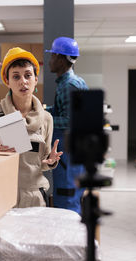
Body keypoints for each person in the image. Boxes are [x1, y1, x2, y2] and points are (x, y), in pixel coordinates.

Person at [0, 47, 62, 208]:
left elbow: (41, 163)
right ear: (7, 81)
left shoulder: (46, 119)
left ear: (35, 78)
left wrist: (50, 161)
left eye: (28, 75)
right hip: (1, 195)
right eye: (16, 76)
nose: (23, 81)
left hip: (35, 197)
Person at [45, 37, 89, 214]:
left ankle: (70, 241)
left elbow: (71, 120)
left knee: (67, 202)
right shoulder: (69, 82)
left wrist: (43, 119)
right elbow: (63, 110)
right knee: (69, 198)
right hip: (70, 156)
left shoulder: (69, 85)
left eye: (52, 56)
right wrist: (45, 110)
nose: (50, 61)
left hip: (68, 159)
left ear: (61, 59)